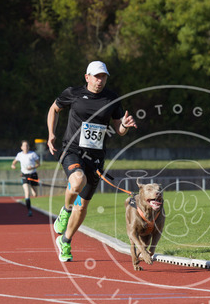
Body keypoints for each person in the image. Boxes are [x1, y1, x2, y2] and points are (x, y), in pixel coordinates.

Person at [47, 60, 137, 262]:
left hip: (95, 158)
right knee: (78, 181)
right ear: (87, 77)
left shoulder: (112, 98)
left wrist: (125, 125)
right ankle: (65, 210)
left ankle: (65, 241)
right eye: (96, 76)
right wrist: (51, 134)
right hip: (72, 150)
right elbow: (54, 109)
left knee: (82, 207)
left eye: (103, 76)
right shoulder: (73, 93)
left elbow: (119, 130)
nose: (100, 80)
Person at [11, 140, 40, 217]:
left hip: (33, 174)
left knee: (35, 194)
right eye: (24, 145)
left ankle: (32, 187)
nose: (25, 147)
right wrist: (13, 165)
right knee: (27, 193)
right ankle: (29, 210)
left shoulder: (33, 154)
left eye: (27, 145)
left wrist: (32, 167)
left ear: (29, 147)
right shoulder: (19, 155)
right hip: (24, 175)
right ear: (21, 147)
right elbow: (14, 162)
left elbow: (38, 164)